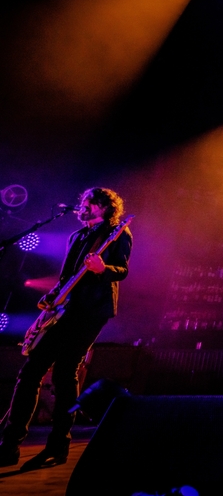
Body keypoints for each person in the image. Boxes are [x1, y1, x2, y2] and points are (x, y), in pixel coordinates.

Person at [0, 187, 132, 469]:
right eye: (83, 203)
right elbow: (67, 275)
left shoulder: (117, 233)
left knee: (64, 372)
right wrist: (53, 295)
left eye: (90, 204)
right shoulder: (78, 235)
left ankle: (58, 445)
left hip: (91, 310)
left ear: (105, 207)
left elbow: (122, 270)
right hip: (64, 308)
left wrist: (102, 269)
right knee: (31, 371)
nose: (83, 207)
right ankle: (9, 445)